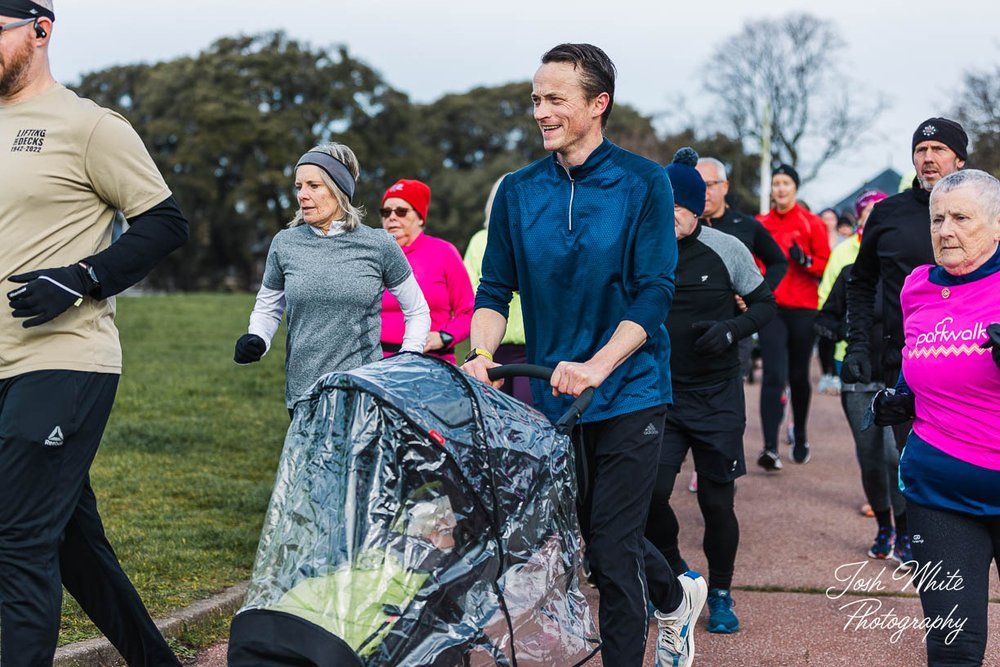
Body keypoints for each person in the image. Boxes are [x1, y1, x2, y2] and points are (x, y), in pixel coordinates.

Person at [463, 43, 705, 667]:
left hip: (629, 388)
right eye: (536, 99)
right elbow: (494, 290)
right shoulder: (517, 192)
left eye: (554, 100)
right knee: (579, 537)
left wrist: (600, 363)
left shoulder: (644, 182)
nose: (540, 111)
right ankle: (676, 598)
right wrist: (481, 354)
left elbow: (655, 289)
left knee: (613, 546)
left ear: (597, 105)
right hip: (553, 395)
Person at [0, 2, 189, 663]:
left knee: (17, 540)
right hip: (1, 364)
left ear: (40, 30)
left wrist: (84, 276)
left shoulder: (88, 126)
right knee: (74, 546)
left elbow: (166, 223)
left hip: (64, 360)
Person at [873, 169, 1000, 666]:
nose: (946, 230)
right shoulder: (917, 287)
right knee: (952, 647)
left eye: (962, 218)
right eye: (938, 218)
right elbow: (921, 359)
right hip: (939, 493)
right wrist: (900, 396)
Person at [646, 149, 775, 635]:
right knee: (651, 494)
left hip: (718, 395)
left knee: (717, 503)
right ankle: (680, 573)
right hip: (661, 394)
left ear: (698, 208)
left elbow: (765, 305)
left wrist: (731, 330)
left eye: (681, 207)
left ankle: (720, 592)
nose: (672, 216)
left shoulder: (727, 249)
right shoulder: (643, 249)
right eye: (665, 206)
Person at [234, 144, 430, 414]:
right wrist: (257, 338)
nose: (302, 195)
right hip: (303, 395)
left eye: (313, 185)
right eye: (298, 186)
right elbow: (268, 307)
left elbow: (417, 310)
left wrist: (407, 358)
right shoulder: (285, 244)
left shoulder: (378, 244)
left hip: (363, 394)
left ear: (338, 190)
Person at [844, 118, 967, 454]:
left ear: (960, 160)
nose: (928, 157)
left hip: (974, 360)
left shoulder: (984, 210)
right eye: (920, 150)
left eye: (938, 149)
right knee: (913, 464)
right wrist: (856, 344)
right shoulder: (887, 213)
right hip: (905, 363)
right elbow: (861, 282)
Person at [815, 190, 912, 564]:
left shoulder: (910, 276)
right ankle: (884, 526)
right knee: (871, 459)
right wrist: (838, 332)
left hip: (898, 375)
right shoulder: (849, 274)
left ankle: (904, 531)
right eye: (868, 216)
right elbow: (824, 318)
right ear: (860, 226)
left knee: (894, 456)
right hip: (857, 378)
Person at [755, 164, 830, 469]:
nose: (780, 189)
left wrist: (807, 261)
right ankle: (770, 447)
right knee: (772, 375)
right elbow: (753, 263)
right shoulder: (760, 223)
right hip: (772, 309)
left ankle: (799, 434)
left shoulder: (812, 223)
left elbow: (824, 265)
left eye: (786, 183)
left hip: (803, 309)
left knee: (798, 376)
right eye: (776, 184)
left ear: (795, 188)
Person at [695, 157, 788, 381]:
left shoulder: (747, 225)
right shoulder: (684, 224)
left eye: (709, 185)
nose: (703, 192)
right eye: (697, 184)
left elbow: (778, 262)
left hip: (734, 326)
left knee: (729, 393)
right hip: (691, 323)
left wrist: (755, 293)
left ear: (724, 186)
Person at [379, 178, 474, 364]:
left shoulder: (443, 252)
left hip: (430, 363)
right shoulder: (374, 255)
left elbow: (468, 312)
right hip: (378, 365)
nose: (392, 217)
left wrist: (444, 337)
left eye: (401, 211)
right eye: (386, 211)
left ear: (420, 217)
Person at [463, 174, 532, 405]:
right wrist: (499, 288)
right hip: (493, 347)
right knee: (495, 413)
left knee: (529, 411)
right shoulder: (480, 240)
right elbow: (470, 285)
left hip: (529, 347)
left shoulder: (531, 238)